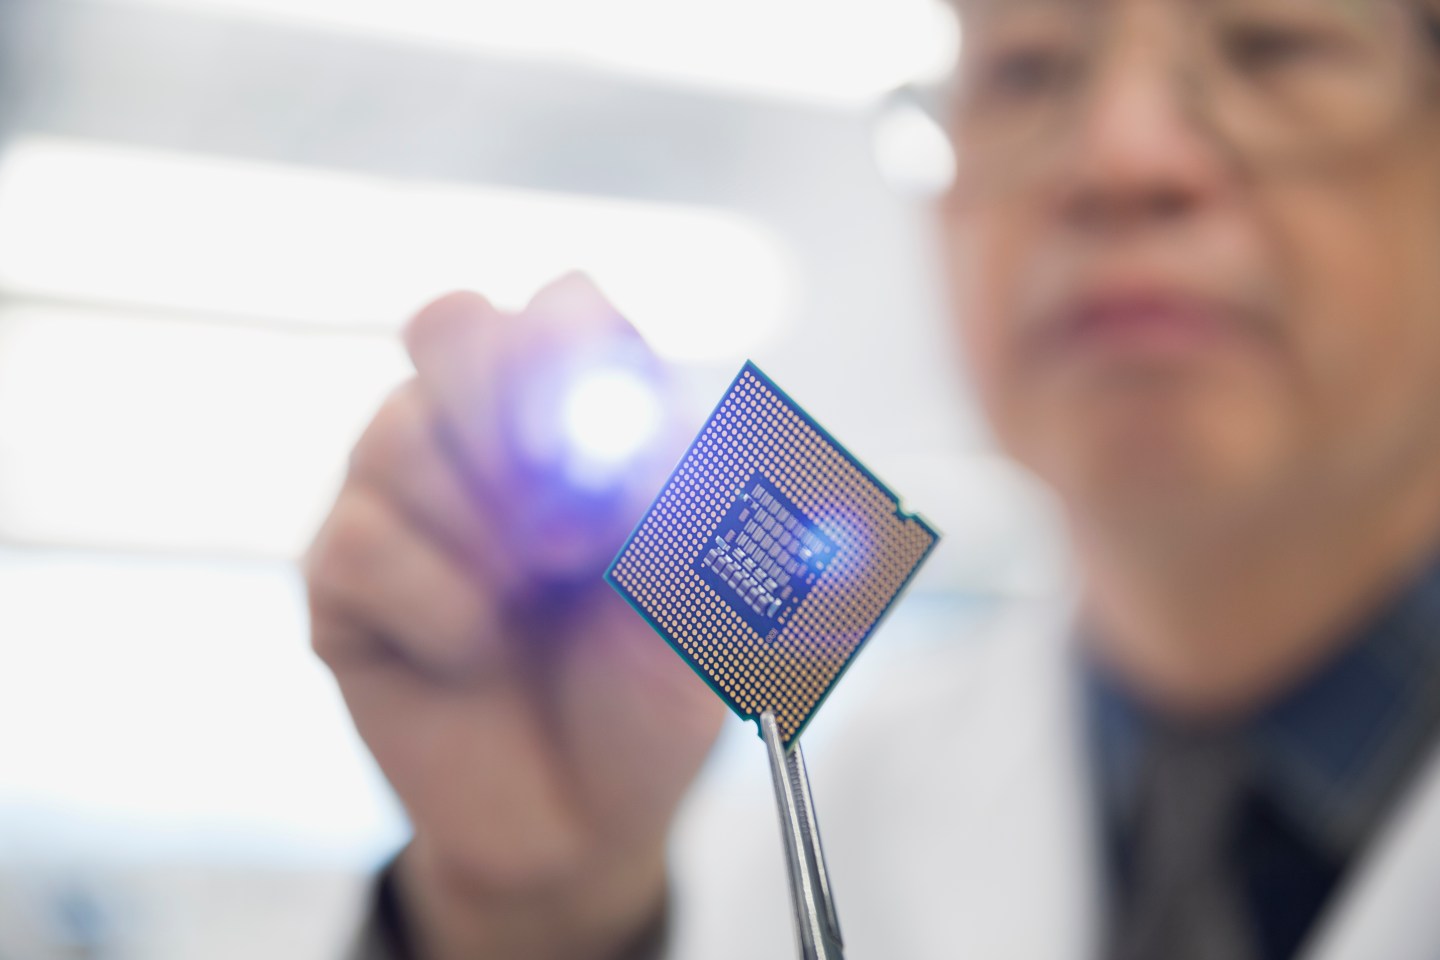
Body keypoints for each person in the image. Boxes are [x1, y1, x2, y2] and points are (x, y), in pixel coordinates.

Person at [305, 0, 1440, 957]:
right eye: (1028, 69)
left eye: (1275, 47)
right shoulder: (791, 836)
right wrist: (532, 921)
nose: (1119, 157)